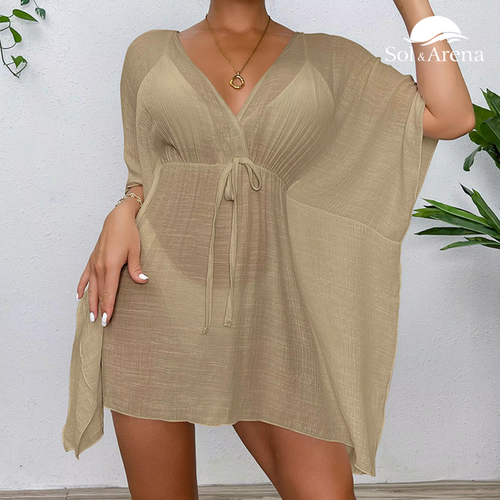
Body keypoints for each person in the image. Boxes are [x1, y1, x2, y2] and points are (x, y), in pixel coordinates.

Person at [62, 0, 475, 498]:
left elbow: (451, 116)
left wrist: (411, 3)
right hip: (154, 297)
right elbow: (143, 172)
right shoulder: (148, 52)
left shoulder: (328, 60)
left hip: (271, 310)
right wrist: (125, 208)